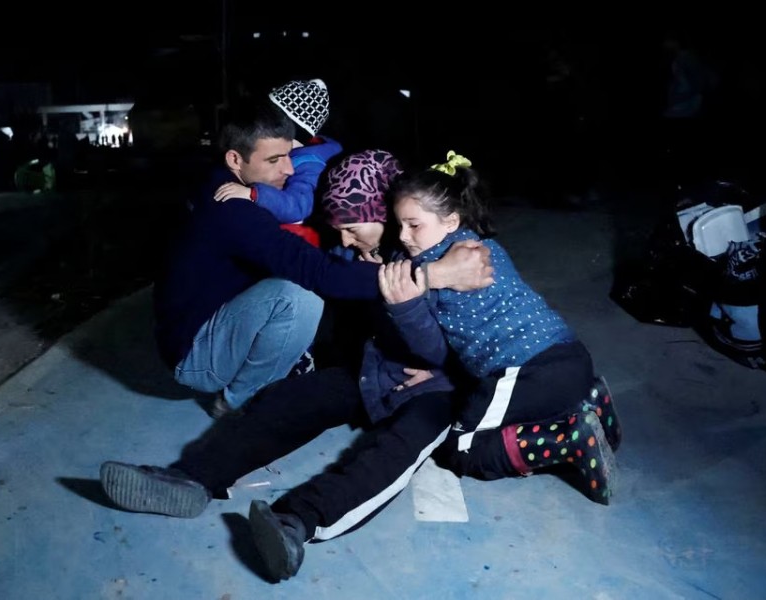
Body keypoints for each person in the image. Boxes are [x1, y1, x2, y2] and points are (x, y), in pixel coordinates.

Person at [101, 150, 473, 581]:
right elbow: (348, 329)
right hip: (376, 371)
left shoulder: (452, 253)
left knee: (393, 451)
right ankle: (190, 478)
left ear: (383, 213)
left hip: (436, 391)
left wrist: (446, 369)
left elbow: (496, 338)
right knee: (292, 399)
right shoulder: (366, 257)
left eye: (352, 228)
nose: (345, 242)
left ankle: (296, 522)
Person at [155, 101, 493, 418]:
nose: (288, 169)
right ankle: (238, 405)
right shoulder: (232, 208)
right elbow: (317, 272)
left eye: (290, 155)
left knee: (320, 287)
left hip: (210, 321)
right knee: (299, 298)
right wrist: (434, 273)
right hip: (197, 356)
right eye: (273, 161)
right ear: (234, 160)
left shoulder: (228, 183)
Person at [376, 151, 621, 493]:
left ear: (450, 220)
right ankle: (588, 399)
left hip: (528, 373)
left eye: (414, 225)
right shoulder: (483, 246)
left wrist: (402, 292)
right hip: (573, 358)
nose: (403, 235)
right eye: (398, 224)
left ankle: (568, 439)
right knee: (499, 409)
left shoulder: (428, 270)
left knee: (460, 449)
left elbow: (428, 343)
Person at [201, 78, 338, 248]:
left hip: (301, 238)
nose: (288, 170)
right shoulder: (302, 154)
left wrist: (253, 194)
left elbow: (297, 208)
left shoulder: (310, 164)